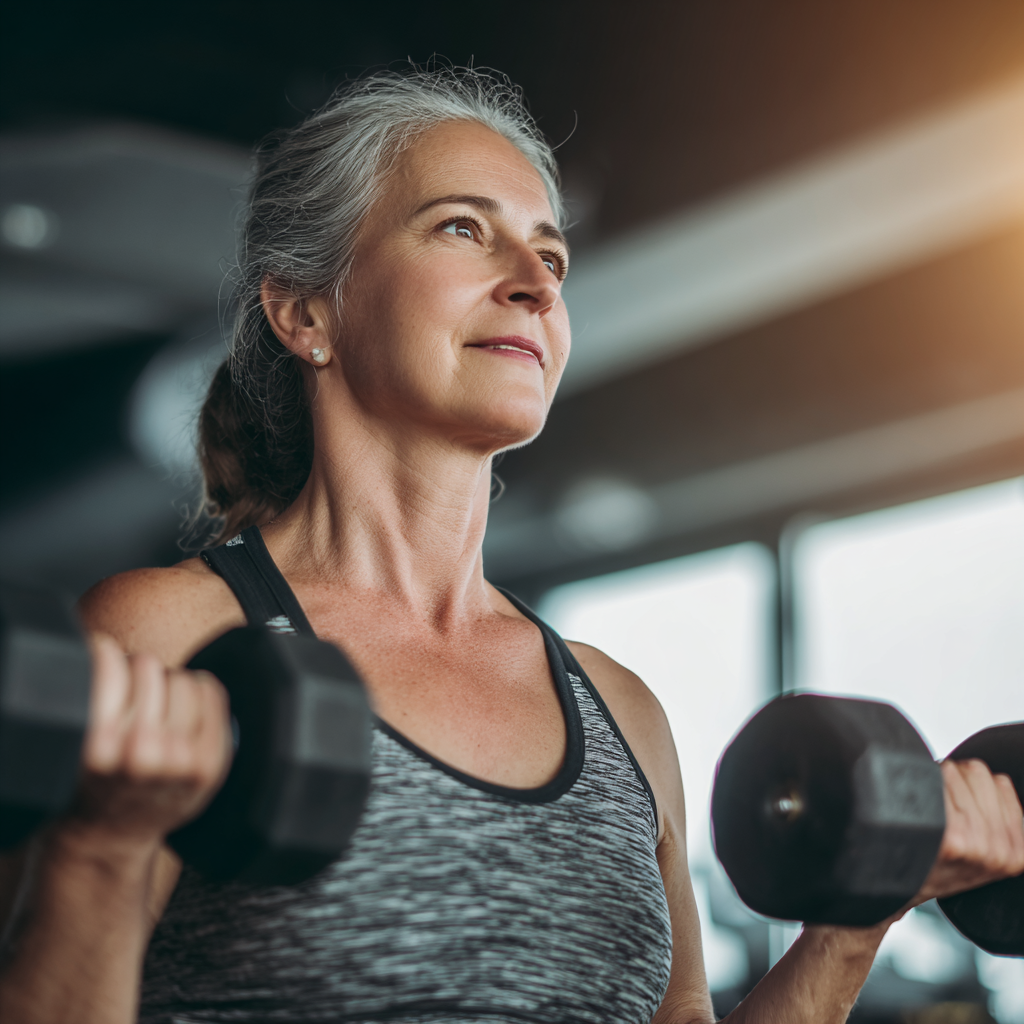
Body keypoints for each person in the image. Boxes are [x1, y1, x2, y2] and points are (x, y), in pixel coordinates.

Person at [0, 68, 1021, 1024]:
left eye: (551, 254)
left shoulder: (620, 713)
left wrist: (859, 917)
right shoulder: (169, 634)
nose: (535, 278)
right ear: (306, 310)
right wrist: (95, 849)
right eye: (462, 228)